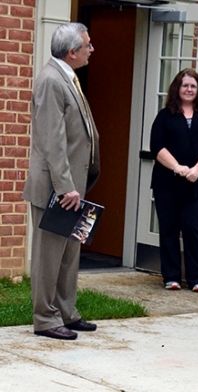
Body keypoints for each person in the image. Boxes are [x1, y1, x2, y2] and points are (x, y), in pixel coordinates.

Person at [22, 23, 100, 340]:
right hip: (55, 187)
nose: (91, 49)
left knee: (69, 254)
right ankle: (45, 318)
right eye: (88, 45)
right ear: (72, 52)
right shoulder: (51, 81)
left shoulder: (68, 77)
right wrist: (66, 185)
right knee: (49, 257)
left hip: (72, 186)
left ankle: (65, 312)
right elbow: (52, 140)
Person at [150, 68, 198, 293]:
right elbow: (156, 147)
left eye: (193, 86)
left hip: (195, 183)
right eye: (184, 85)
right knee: (169, 229)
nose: (188, 89)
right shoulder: (165, 116)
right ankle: (171, 277)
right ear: (177, 89)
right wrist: (178, 168)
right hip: (167, 183)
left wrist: (197, 170)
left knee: (193, 228)